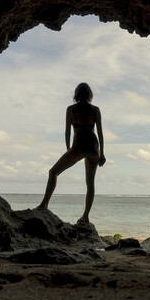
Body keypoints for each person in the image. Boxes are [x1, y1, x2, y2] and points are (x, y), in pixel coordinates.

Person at [36, 83, 106, 224]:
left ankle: (44, 205)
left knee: (53, 172)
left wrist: (68, 148)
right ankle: (85, 217)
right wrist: (102, 153)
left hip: (79, 145)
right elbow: (100, 132)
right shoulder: (95, 109)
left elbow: (67, 131)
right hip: (93, 146)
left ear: (76, 94)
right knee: (90, 183)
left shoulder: (71, 109)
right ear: (90, 95)